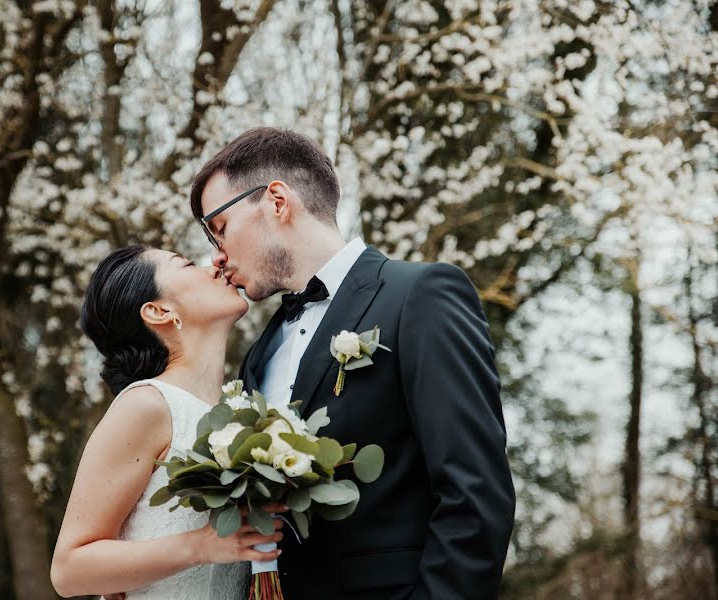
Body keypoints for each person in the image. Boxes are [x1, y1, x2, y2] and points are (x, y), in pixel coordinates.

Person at [189, 127, 516, 599]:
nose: (217, 256)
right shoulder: (261, 352)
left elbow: (475, 495)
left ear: (276, 201)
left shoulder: (420, 297)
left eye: (218, 228)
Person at [50, 245, 284, 599]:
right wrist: (202, 546)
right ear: (159, 311)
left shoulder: (243, 410)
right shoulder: (145, 405)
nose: (215, 265)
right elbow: (69, 569)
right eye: (188, 264)